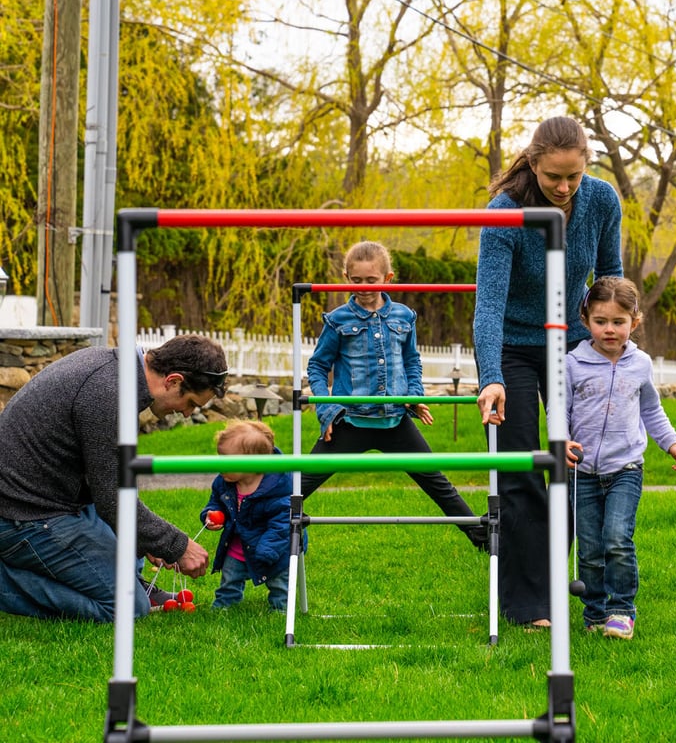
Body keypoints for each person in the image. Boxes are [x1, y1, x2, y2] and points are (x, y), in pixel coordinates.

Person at [474, 116, 623, 627]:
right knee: (520, 467)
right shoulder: (504, 212)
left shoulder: (602, 201)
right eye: (553, 176)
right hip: (513, 344)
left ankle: (563, 580)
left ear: (586, 167)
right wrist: (490, 374)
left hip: (572, 341)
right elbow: (489, 304)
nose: (563, 187)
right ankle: (527, 602)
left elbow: (609, 280)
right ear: (533, 163)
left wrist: (613, 345)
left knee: (571, 464)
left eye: (573, 177)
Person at [0, 335, 226, 621]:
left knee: (132, 554)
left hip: (57, 499)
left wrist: (148, 541)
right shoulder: (109, 393)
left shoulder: (117, 374)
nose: (186, 413)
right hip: (22, 515)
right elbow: (113, 500)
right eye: (190, 402)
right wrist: (177, 546)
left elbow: (110, 481)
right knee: (128, 607)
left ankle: (129, 582)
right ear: (173, 380)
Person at [301, 240, 486, 550]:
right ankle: (264, 523)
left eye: (371, 280)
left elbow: (412, 362)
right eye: (355, 280)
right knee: (297, 486)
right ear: (347, 278)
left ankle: (483, 539)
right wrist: (327, 410)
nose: (363, 287)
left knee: (439, 484)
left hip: (396, 422)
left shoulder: (404, 316)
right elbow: (318, 367)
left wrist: (415, 396)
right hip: (351, 422)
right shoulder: (338, 320)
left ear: (387, 278)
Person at [566, 277, 676, 640]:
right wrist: (562, 441)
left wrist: (672, 442)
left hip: (626, 468)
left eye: (619, 322)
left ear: (635, 322)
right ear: (585, 319)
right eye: (601, 321)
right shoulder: (573, 364)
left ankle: (621, 611)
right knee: (589, 549)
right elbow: (560, 410)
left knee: (617, 538)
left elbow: (652, 409)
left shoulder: (641, 364)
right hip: (582, 472)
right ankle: (596, 611)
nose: (609, 329)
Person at [202, 420, 301, 611]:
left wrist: (267, 551)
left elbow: (283, 524)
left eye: (227, 461)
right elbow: (216, 502)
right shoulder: (224, 482)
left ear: (254, 463)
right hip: (237, 545)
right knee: (229, 579)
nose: (221, 466)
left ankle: (281, 610)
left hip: (274, 549)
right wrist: (211, 514)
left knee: (279, 583)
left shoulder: (279, 487)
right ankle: (223, 607)